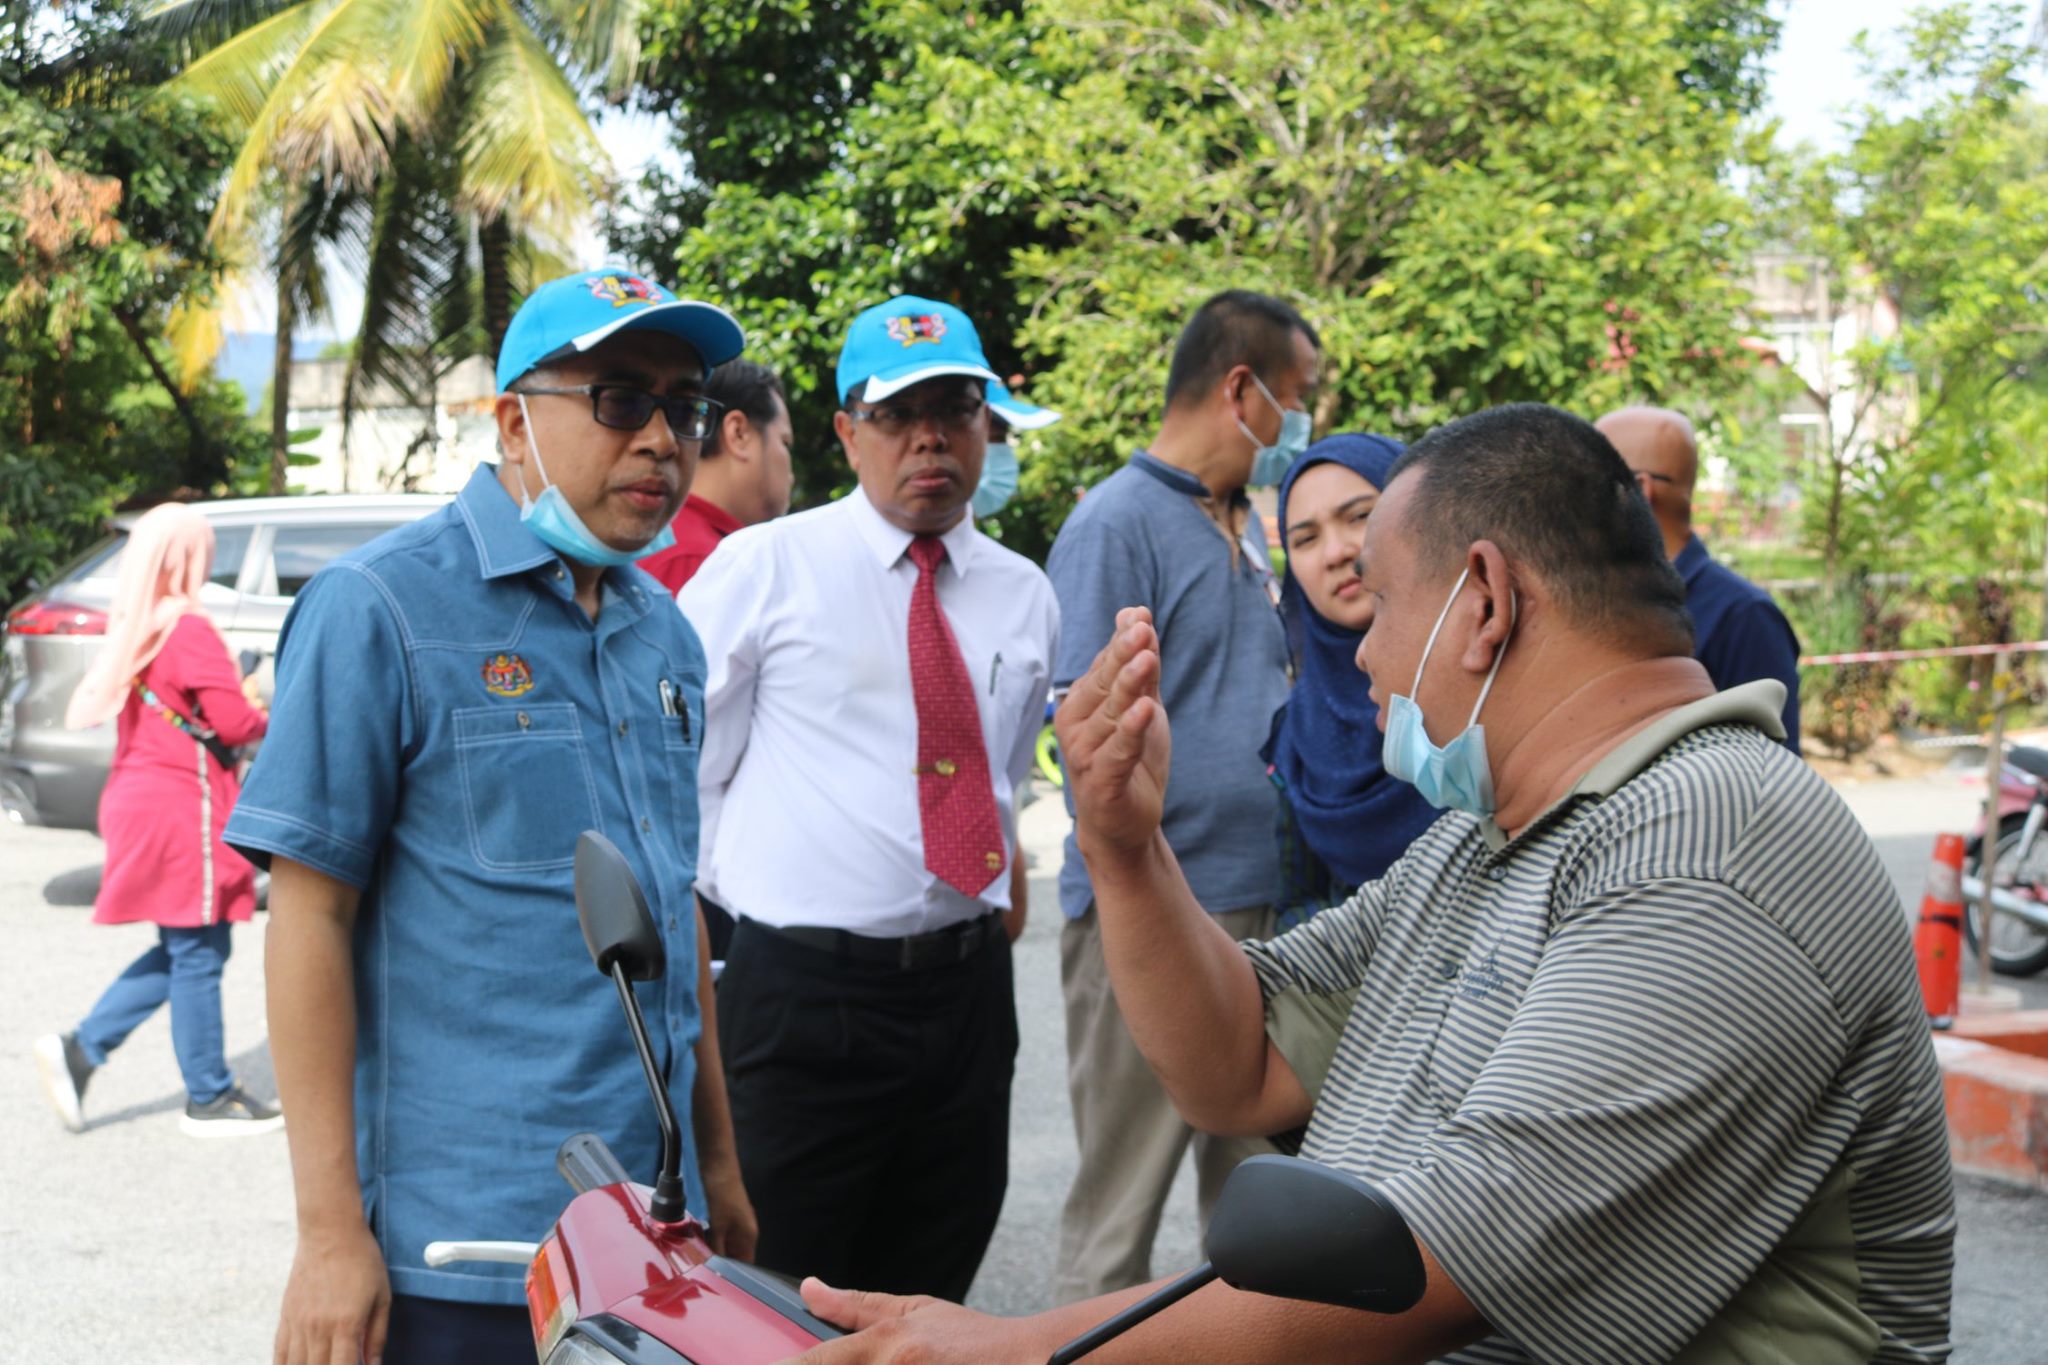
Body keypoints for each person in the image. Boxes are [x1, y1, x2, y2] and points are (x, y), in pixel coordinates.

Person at [783, 402, 1955, 1364]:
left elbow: (1439, 1264)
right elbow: (1239, 1063)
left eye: (1383, 605)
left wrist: (1023, 1348)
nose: (1363, 651)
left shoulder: (1708, 844)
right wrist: (1124, 847)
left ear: (1483, 602)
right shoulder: (1483, 840)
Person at [225, 268, 757, 1363]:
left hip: (655, 1235)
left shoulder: (665, 634)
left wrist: (719, 1167)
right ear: (514, 422)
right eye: (621, 399)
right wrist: (328, 1234)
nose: (662, 439)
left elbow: (675, 910)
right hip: (469, 1248)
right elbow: (309, 919)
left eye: (684, 407)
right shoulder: (381, 607)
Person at [680, 295, 1058, 1302]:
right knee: (778, 1297)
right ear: (848, 434)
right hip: (804, 998)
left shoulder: (1023, 592)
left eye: (955, 408)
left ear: (986, 425)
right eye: (897, 414)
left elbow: (1000, 769)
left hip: (966, 999)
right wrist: (770, 902)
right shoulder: (765, 567)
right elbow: (682, 776)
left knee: (930, 1288)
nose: (929, 437)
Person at [1045, 288, 1312, 1302]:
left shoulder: (1243, 521)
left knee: (1260, 1220)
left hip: (1259, 904)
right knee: (1118, 1209)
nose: (1302, 422)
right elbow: (1087, 730)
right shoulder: (1115, 523)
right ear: (1241, 390)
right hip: (1151, 909)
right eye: (1297, 398)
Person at [33, 504, 277, 1137]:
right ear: (187, 558)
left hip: (142, 799)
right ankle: (209, 1097)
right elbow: (235, 724)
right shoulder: (187, 628)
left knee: (192, 945)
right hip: (182, 807)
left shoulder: (138, 626)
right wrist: (267, 712)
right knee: (197, 949)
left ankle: (82, 1050)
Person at [1263, 434, 1439, 929]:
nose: (1336, 553)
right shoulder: (1298, 731)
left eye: (1360, 516)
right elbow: (1296, 903)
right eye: (1305, 539)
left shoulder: (1492, 685)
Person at [1595, 405, 1803, 752]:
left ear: (1637, 490)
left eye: (1587, 482)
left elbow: (1773, 769)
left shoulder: (1744, 617)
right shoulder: (1600, 602)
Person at [637, 358, 795, 594]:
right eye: (785, 442)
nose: (791, 474)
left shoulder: (676, 541)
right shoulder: (700, 560)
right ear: (738, 433)